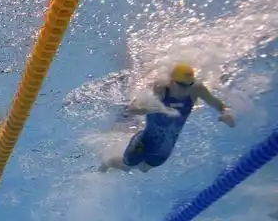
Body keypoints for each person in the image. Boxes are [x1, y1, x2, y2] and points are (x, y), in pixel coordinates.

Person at [99, 62, 235, 173]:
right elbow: (132, 109)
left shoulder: (196, 90)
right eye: (181, 85)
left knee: (144, 169)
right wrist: (155, 107)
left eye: (189, 85)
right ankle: (109, 162)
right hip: (145, 141)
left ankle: (122, 163)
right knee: (129, 164)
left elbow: (219, 105)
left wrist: (226, 113)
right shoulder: (161, 90)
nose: (185, 89)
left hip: (166, 147)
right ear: (172, 82)